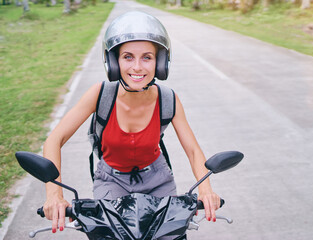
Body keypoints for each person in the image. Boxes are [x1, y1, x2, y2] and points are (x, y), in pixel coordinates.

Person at [43, 11, 221, 235]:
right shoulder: (100, 95)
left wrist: (205, 189)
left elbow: (194, 150)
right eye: (128, 57)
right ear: (113, 61)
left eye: (147, 57)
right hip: (111, 181)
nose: (137, 67)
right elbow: (54, 140)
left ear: (161, 62)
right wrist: (54, 194)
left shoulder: (168, 99)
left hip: (158, 180)